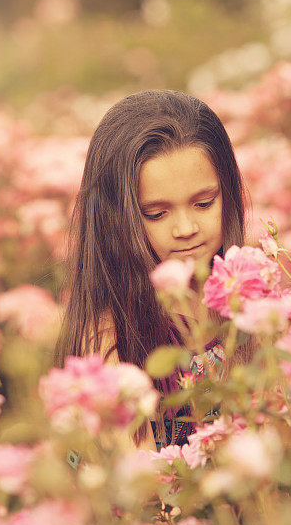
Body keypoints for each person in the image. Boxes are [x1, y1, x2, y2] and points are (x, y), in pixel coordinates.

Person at [54, 90, 248, 450]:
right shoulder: (111, 339)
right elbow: (145, 491)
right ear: (117, 221)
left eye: (204, 203)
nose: (186, 228)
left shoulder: (251, 303)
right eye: (157, 213)